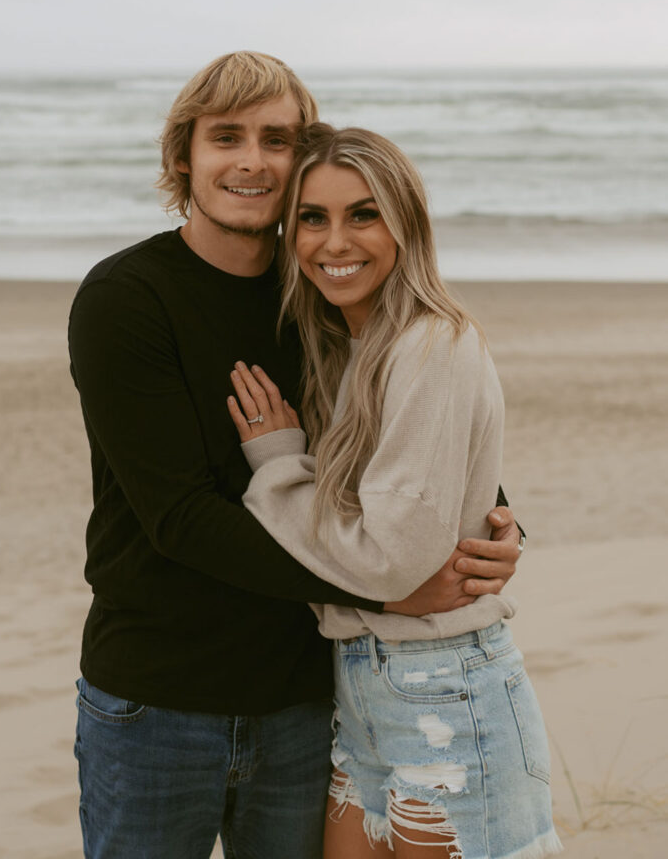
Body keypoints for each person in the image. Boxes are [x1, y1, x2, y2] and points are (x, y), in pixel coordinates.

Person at [68, 52, 524, 859]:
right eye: (226, 138)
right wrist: (392, 592)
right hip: (157, 697)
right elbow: (179, 518)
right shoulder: (124, 299)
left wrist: (498, 523)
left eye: (276, 139)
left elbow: (410, 427)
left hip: (306, 697)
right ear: (184, 156)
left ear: (298, 160)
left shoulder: (317, 286)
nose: (250, 160)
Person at [226, 124, 561, 858]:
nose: (333, 242)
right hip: (360, 690)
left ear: (405, 225)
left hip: (446, 689)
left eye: (363, 214)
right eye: (312, 218)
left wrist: (279, 464)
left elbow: (390, 561)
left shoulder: (430, 344)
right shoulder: (344, 349)